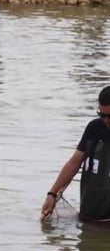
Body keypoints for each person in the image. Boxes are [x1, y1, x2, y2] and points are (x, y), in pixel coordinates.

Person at [41, 86, 110, 222]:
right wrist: (52, 193)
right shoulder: (94, 128)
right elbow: (75, 162)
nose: (106, 120)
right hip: (88, 214)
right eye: (102, 115)